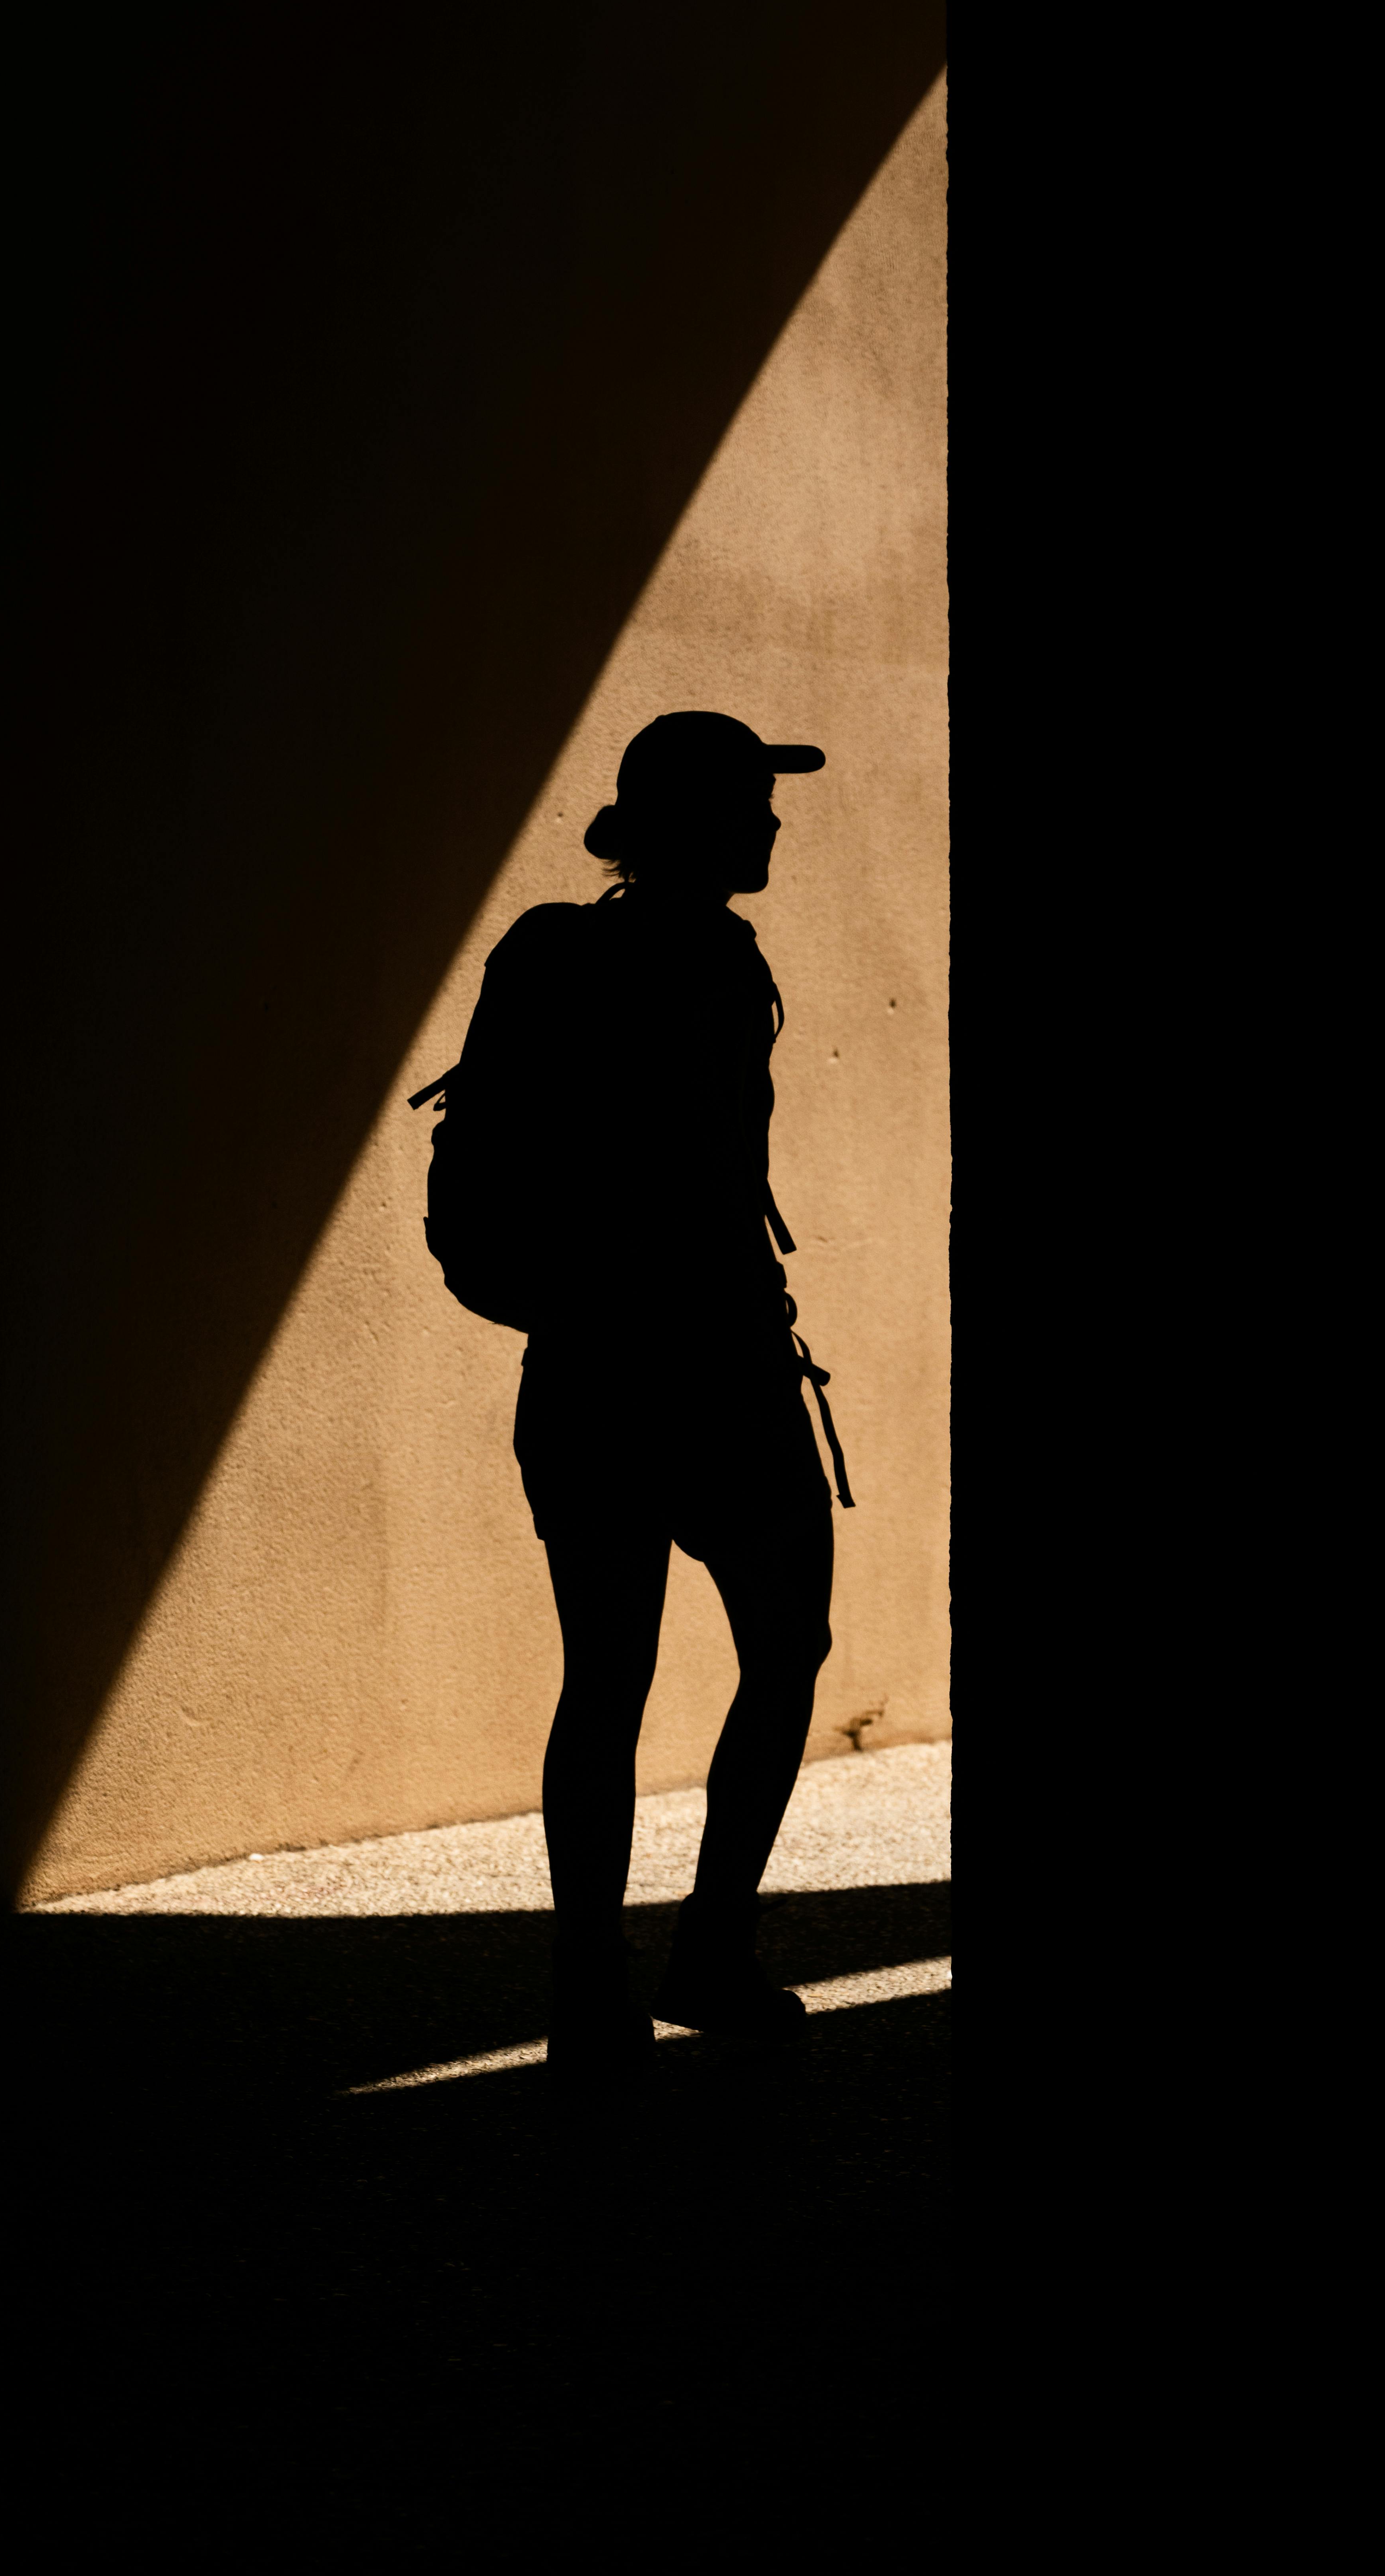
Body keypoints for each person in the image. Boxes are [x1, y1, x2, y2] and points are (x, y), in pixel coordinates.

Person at [442, 711, 852, 2075]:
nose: (771, 822)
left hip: (589, 1369)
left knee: (607, 1678)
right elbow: (706, 1185)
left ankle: (591, 1987)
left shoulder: (563, 955)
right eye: (749, 802)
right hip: (711, 1373)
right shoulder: (715, 962)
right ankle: (707, 1949)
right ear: (696, 823)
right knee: (780, 1647)